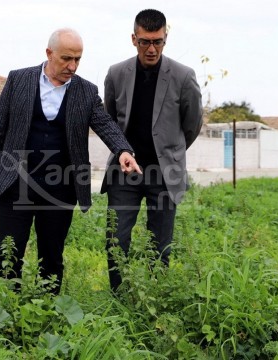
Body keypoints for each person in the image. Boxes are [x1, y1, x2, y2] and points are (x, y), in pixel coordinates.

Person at [0, 28, 141, 295]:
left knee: (51, 256)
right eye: (66, 58)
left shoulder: (86, 91)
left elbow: (105, 124)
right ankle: (5, 314)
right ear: (49, 53)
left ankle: (45, 313)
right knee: (8, 254)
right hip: (14, 182)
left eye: (78, 59)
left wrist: (123, 150)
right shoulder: (18, 80)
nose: (72, 66)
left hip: (59, 187)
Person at [101, 9, 204, 292]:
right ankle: (120, 298)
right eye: (145, 41)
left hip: (164, 173)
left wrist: (170, 153)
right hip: (125, 172)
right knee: (116, 239)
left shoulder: (183, 77)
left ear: (165, 39)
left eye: (157, 41)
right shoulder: (116, 73)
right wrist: (122, 151)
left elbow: (192, 124)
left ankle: (155, 299)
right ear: (134, 39)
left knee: (160, 245)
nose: (151, 48)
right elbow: (110, 121)